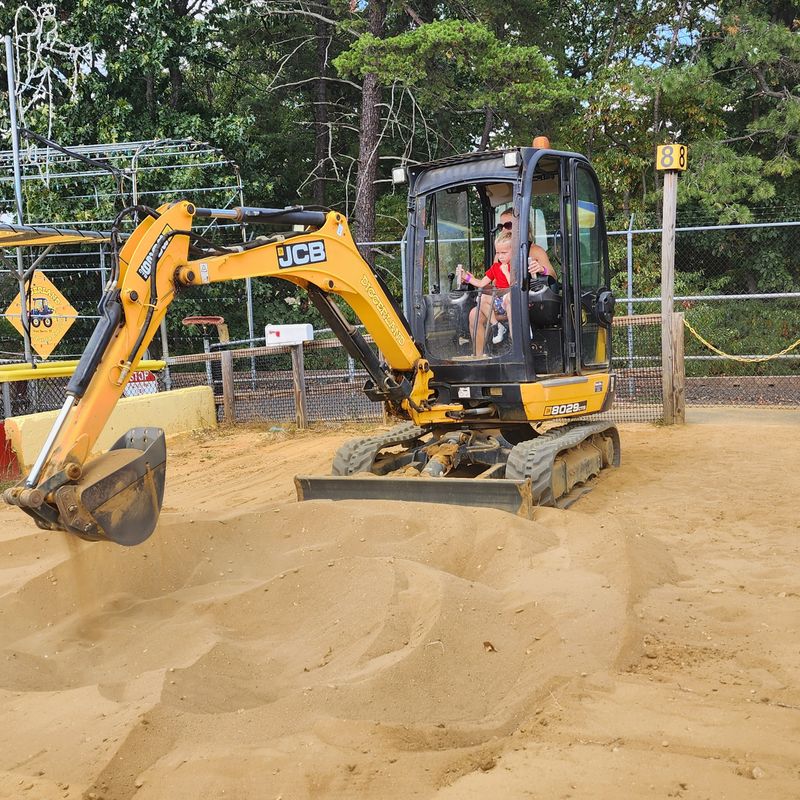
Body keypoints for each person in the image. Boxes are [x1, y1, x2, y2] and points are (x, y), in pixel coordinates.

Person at [457, 231, 513, 355]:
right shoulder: (495, 267)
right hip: (499, 301)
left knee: (509, 297)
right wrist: (467, 278)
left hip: (513, 300)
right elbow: (482, 283)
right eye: (498, 253)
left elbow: (514, 286)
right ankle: (496, 326)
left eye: (504, 253)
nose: (500, 256)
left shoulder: (515, 266)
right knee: (480, 298)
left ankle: (515, 344)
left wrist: (506, 272)